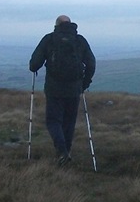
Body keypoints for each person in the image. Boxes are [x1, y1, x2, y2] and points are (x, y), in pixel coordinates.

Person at [29, 15, 96, 166]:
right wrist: (84, 84)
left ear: (56, 25)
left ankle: (62, 152)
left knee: (53, 121)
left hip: (54, 89)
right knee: (69, 121)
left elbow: (34, 65)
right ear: (71, 25)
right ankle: (66, 151)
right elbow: (91, 64)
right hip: (74, 89)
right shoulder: (79, 41)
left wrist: (35, 65)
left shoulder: (49, 39)